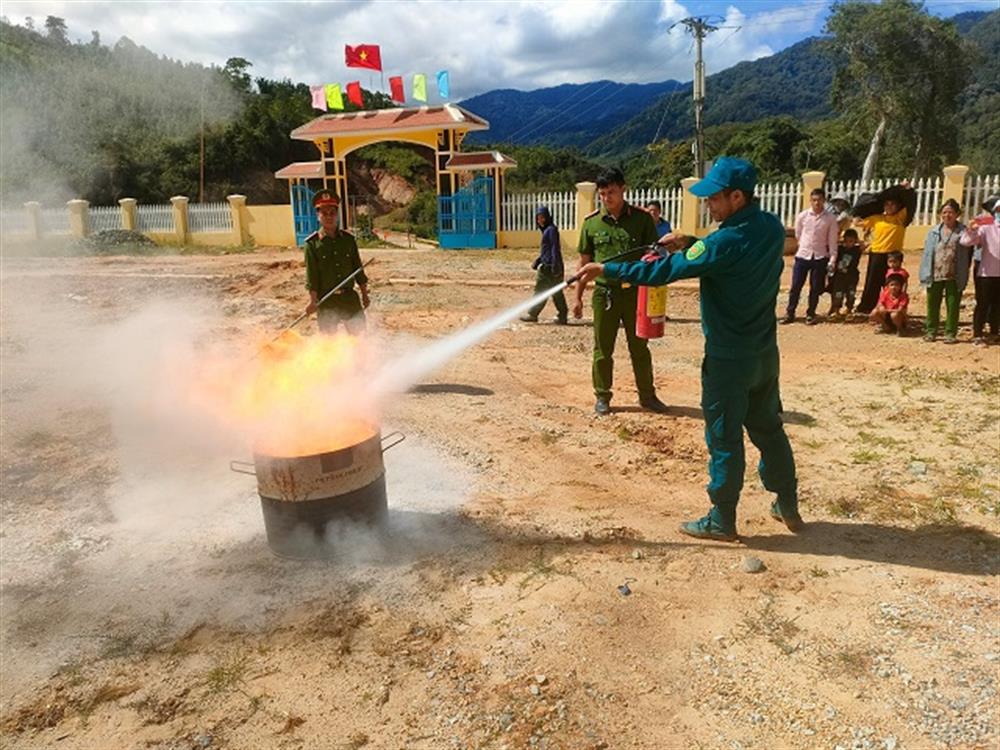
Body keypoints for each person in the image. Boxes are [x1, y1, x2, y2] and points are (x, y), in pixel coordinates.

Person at [576, 156, 801, 541]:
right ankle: (787, 503)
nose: (708, 205)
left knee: (724, 437)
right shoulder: (769, 228)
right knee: (768, 428)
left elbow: (664, 271)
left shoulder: (724, 239)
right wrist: (689, 243)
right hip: (764, 354)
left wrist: (607, 270)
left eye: (714, 199)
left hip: (729, 360)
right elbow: (726, 256)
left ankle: (722, 519)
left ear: (736, 197)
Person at [574, 167, 668, 415]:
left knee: (639, 348)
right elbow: (584, 262)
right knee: (603, 349)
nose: (607, 198)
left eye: (612, 192)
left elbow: (654, 256)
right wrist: (577, 297)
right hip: (604, 295)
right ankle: (602, 396)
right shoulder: (591, 223)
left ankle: (647, 396)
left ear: (623, 189)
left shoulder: (642, 219)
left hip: (635, 294)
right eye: (603, 193)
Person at [303, 189, 370, 335]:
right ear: (318, 216)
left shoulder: (348, 240)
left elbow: (358, 269)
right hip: (326, 300)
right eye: (324, 213)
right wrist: (313, 301)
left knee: (359, 337)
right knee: (329, 342)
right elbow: (312, 277)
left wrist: (364, 294)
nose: (328, 217)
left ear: (337, 214)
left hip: (349, 298)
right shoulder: (312, 245)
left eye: (332, 213)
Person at [856, 185, 915, 315]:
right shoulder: (876, 218)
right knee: (872, 282)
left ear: (898, 206)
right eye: (886, 204)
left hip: (893, 255)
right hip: (877, 254)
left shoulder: (901, 218)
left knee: (893, 281)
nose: (889, 207)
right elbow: (857, 220)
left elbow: (910, 204)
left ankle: (894, 306)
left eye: (892, 204)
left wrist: (906, 189)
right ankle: (867, 307)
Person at [919, 199, 972, 344]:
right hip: (935, 272)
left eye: (950, 212)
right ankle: (931, 331)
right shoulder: (933, 232)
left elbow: (969, 249)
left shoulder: (963, 231)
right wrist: (924, 273)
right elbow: (927, 253)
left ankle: (950, 333)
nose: (947, 215)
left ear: (957, 214)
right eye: (944, 212)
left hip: (955, 273)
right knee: (933, 304)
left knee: (953, 304)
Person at [784, 188, 839, 325]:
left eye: (819, 200)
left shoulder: (830, 219)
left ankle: (811, 313)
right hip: (803, 255)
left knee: (815, 288)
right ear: (810, 201)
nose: (817, 203)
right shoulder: (803, 216)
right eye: (814, 200)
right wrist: (803, 245)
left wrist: (832, 259)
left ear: (824, 201)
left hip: (820, 256)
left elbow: (832, 241)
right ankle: (790, 312)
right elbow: (798, 234)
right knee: (796, 286)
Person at [961, 195, 1000, 346]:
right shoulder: (986, 227)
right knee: (982, 304)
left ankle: (994, 332)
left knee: (997, 305)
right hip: (986, 273)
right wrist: (971, 230)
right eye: (998, 209)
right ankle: (978, 334)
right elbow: (966, 241)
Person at [521, 205, 568, 324]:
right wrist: (538, 260)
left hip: (550, 268)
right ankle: (562, 315)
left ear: (547, 217)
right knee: (556, 292)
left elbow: (554, 249)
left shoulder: (551, 230)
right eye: (538, 218)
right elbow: (547, 251)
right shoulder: (547, 230)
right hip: (549, 265)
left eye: (542, 217)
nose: (540, 220)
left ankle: (533, 314)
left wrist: (555, 266)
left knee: (541, 291)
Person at [827, 228, 863, 316]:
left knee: (851, 293)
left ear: (855, 241)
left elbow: (863, 245)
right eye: (846, 241)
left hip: (852, 275)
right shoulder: (840, 249)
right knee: (838, 293)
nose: (848, 243)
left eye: (851, 241)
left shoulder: (856, 250)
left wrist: (858, 241)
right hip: (839, 276)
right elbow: (832, 244)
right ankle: (836, 310)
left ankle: (849, 309)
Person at [871, 271, 909, 336]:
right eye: (892, 285)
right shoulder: (885, 294)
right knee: (874, 313)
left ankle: (900, 329)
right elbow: (880, 303)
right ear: (888, 286)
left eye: (896, 285)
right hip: (886, 316)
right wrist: (881, 308)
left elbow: (900, 310)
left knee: (894, 315)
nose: (894, 287)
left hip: (898, 318)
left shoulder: (903, 296)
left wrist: (887, 310)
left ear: (900, 286)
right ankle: (885, 326)